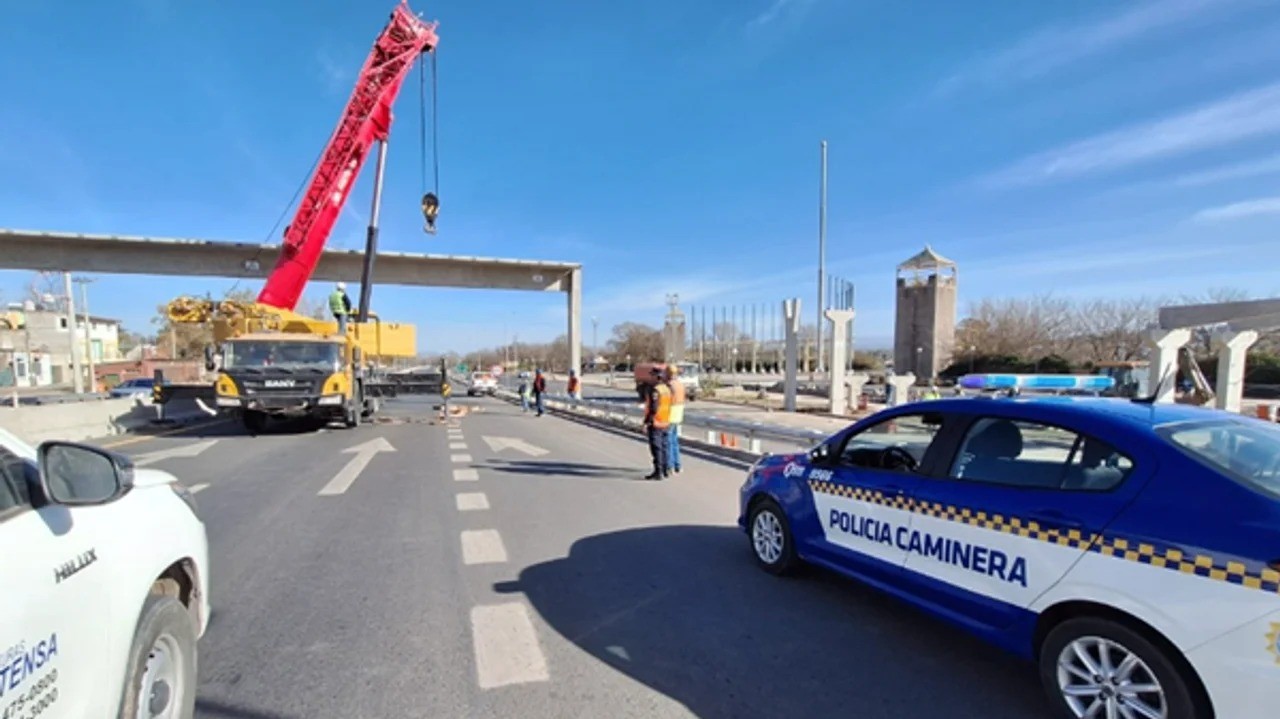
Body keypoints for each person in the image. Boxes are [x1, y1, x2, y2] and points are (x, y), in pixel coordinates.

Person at [643, 368, 672, 480]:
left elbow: (653, 408)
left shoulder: (655, 390)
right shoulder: (666, 389)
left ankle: (658, 471)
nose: (650, 378)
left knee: (657, 448)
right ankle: (665, 470)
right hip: (666, 421)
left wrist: (647, 422)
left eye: (652, 376)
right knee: (664, 447)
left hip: (656, 422)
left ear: (657, 377)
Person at [665, 365, 686, 475]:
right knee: (674, 441)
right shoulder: (681, 385)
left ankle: (670, 466)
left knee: (668, 442)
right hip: (678, 415)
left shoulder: (669, 385)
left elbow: (666, 401)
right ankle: (678, 465)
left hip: (670, 415)